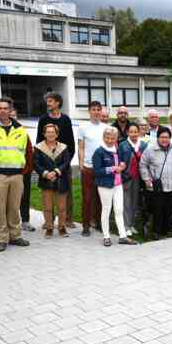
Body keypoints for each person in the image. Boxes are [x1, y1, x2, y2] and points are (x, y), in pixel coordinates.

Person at [0, 98, 30, 252]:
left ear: (10, 110)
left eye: (5, 108)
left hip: (17, 175)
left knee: (14, 208)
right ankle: (2, 238)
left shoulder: (21, 130)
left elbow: (23, 150)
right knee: (0, 208)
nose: (2, 110)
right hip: (0, 175)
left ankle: (15, 236)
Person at [35, 92, 76, 228]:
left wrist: (66, 163)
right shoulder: (43, 119)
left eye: (51, 101)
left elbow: (71, 144)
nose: (48, 103)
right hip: (47, 160)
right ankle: (49, 221)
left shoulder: (66, 120)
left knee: (66, 191)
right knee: (48, 193)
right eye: (47, 101)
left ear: (58, 103)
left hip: (63, 161)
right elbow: (39, 142)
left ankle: (67, 220)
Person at [92, 127, 137, 246]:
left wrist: (122, 164)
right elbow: (96, 171)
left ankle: (123, 236)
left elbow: (121, 161)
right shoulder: (99, 152)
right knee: (106, 210)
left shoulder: (116, 149)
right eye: (107, 138)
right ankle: (106, 236)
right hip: (105, 185)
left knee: (119, 210)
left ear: (116, 138)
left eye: (113, 138)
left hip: (118, 184)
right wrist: (112, 169)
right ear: (103, 137)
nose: (110, 140)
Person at [140, 127, 172, 238]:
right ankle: (156, 231)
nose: (164, 140)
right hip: (157, 185)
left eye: (167, 137)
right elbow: (143, 165)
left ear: (170, 138)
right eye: (162, 137)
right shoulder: (150, 149)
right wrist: (146, 178)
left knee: (169, 208)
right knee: (157, 209)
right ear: (158, 138)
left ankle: (166, 229)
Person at [33, 123, 71, 238]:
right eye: (48, 132)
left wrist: (56, 171)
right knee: (48, 207)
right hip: (46, 180)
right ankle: (49, 228)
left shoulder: (63, 147)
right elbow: (36, 163)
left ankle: (62, 227)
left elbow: (66, 162)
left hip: (61, 180)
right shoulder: (39, 147)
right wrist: (46, 173)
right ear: (44, 134)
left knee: (62, 207)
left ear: (57, 134)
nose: (50, 134)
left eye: (53, 132)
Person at [78, 101, 108, 236]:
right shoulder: (83, 127)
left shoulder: (106, 128)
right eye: (93, 109)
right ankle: (86, 225)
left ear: (101, 111)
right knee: (88, 198)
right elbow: (81, 147)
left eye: (98, 109)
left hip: (102, 168)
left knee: (101, 197)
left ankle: (100, 223)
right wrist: (81, 163)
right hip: (88, 167)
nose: (96, 112)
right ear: (89, 111)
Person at [118, 123, 147, 236]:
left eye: (136, 131)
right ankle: (126, 226)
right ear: (128, 133)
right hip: (127, 177)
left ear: (139, 132)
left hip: (139, 177)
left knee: (135, 201)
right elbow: (119, 160)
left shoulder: (144, 145)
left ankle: (132, 224)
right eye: (131, 132)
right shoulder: (123, 145)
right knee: (126, 201)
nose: (134, 134)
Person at [11, 109, 35, 233]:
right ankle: (8, 223)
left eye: (14, 115)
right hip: (7, 172)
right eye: (10, 116)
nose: (12, 118)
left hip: (23, 171)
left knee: (25, 196)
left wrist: (28, 169)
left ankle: (25, 220)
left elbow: (29, 152)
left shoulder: (23, 132)